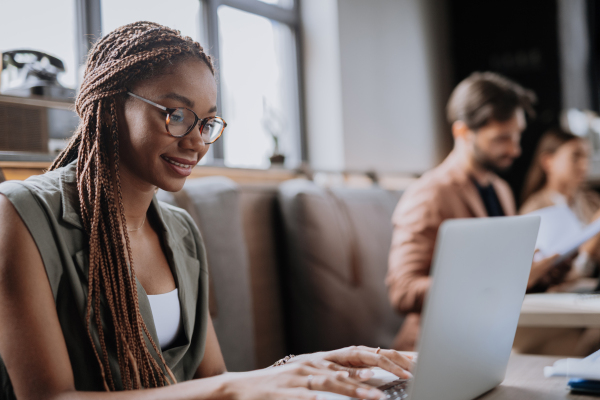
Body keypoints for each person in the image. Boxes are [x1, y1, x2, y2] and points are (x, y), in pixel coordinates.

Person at [0, 22, 412, 400]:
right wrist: (238, 385)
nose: (197, 141)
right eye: (175, 114)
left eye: (207, 122)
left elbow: (211, 378)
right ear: (109, 106)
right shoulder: (19, 216)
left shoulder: (180, 230)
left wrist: (300, 370)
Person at [386, 72, 565, 351]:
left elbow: (502, 277)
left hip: (491, 332)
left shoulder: (500, 189)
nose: (515, 149)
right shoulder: (429, 194)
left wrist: (543, 271)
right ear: (462, 132)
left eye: (517, 135)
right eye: (502, 138)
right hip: (441, 345)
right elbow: (404, 291)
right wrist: (497, 280)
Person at [521, 128, 600, 279]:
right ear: (548, 161)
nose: (584, 165)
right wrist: (588, 251)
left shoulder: (593, 201)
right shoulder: (533, 211)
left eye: (586, 157)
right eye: (575, 157)